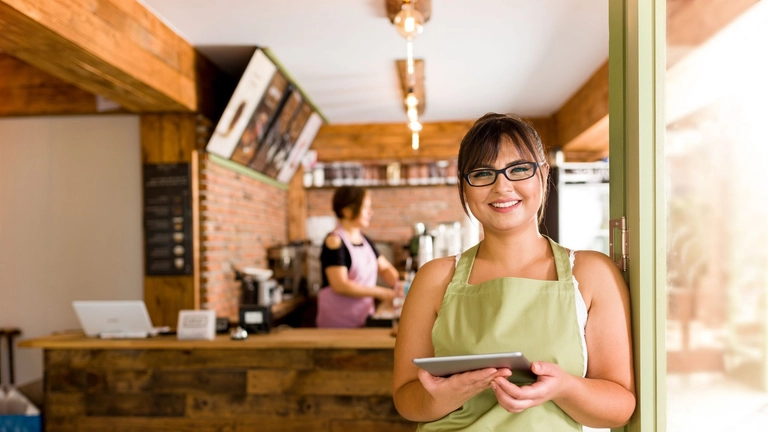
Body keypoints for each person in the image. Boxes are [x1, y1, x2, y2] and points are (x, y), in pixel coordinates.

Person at [393, 113, 635, 430]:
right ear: (464, 187)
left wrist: (564, 387)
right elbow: (405, 400)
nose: (502, 186)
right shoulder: (434, 278)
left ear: (543, 174)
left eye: (519, 169)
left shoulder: (592, 274)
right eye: (482, 173)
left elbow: (620, 407)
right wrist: (444, 397)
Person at [316, 186, 402, 328]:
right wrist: (381, 293)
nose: (370, 212)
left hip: (363, 317)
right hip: (337, 324)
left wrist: (397, 285)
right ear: (348, 211)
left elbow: (385, 268)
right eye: (366, 207)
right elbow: (340, 285)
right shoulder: (334, 241)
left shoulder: (365, 241)